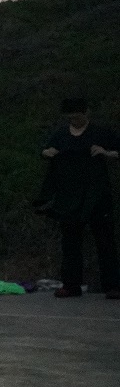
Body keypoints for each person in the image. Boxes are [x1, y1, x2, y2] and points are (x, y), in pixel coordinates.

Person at [37, 97, 120, 298]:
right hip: (69, 195)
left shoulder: (100, 132)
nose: (74, 121)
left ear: (86, 113)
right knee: (70, 241)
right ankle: (71, 284)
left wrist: (106, 153)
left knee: (105, 240)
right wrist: (48, 153)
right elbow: (46, 150)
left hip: (96, 193)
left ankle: (112, 285)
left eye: (77, 117)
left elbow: (117, 151)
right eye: (71, 118)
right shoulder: (61, 135)